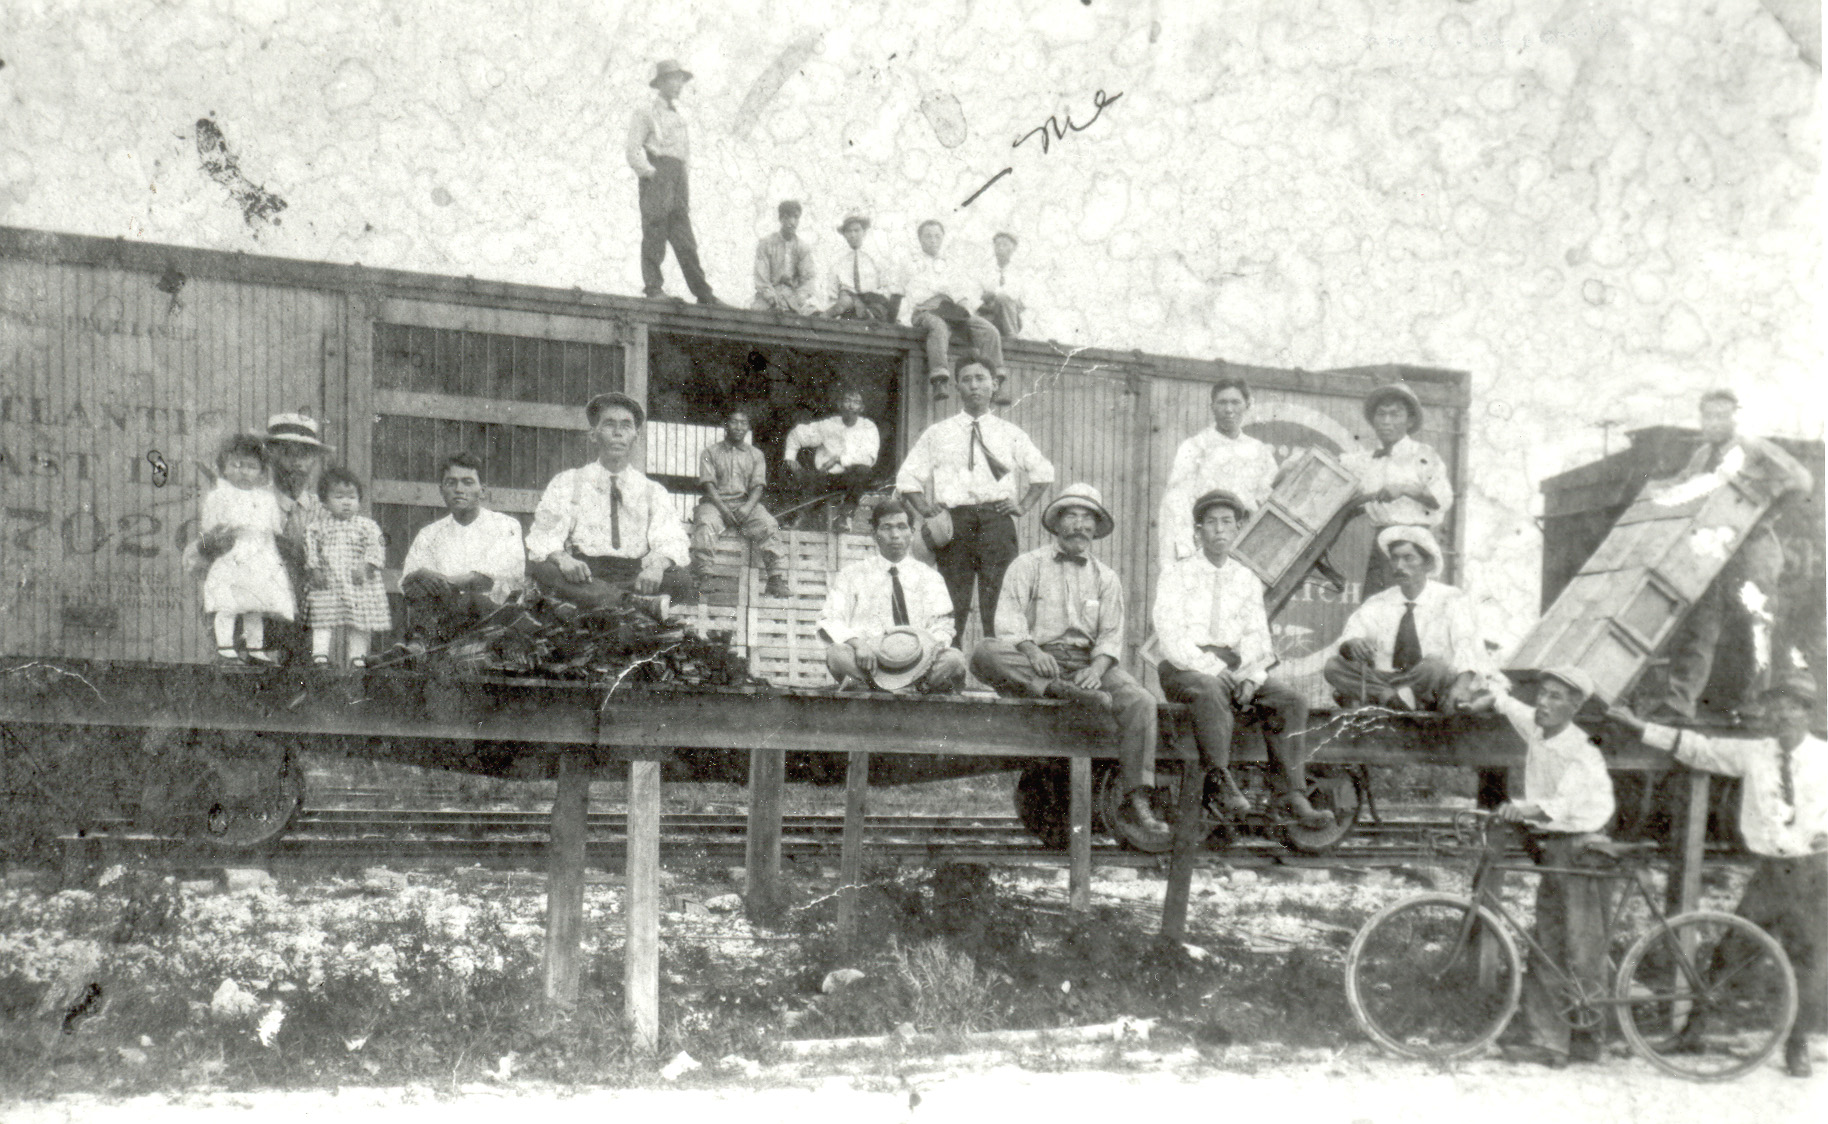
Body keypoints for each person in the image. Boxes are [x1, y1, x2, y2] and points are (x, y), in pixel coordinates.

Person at [1611, 672, 1825, 1078]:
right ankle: (1695, 1031)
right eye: (1776, 706)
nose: (1782, 714)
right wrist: (1639, 727)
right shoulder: (1754, 754)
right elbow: (1697, 748)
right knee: (1730, 951)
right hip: (1769, 874)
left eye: (1792, 706)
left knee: (1809, 961)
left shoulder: (1825, 758)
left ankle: (1797, 1046)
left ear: (1807, 714)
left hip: (1814, 875)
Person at [971, 484, 1167, 835]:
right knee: (984, 652)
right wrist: (1032, 650)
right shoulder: (1026, 565)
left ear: (1097, 527)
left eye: (1088, 518)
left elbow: (1110, 635)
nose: (1080, 525)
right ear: (1057, 523)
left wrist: (1096, 667)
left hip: (1088, 667)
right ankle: (1057, 688)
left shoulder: (1106, 578)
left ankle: (1138, 796)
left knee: (1141, 701)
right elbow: (1008, 621)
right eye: (1072, 516)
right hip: (1036, 661)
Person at [1150, 488, 1332, 830]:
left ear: (1237, 531)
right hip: (1185, 667)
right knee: (1209, 689)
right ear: (1198, 531)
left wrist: (1250, 677)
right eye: (1211, 523)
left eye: (1227, 523)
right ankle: (1219, 779)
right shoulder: (1177, 575)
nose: (1220, 530)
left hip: (1235, 666)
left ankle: (1291, 793)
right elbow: (1171, 636)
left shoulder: (1245, 578)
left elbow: (1256, 636)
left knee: (1290, 701)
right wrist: (1216, 669)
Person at [1653, 389, 1814, 724]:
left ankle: (1754, 706)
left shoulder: (1753, 448)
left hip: (1753, 551)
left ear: (1735, 417)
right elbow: (1682, 485)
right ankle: (1680, 703)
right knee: (1700, 624)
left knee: (1754, 628)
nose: (1713, 423)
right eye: (1707, 416)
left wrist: (1766, 511)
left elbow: (1801, 480)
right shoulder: (1701, 456)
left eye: (1721, 416)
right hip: (1714, 553)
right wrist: (1655, 489)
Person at [1490, 667, 1617, 1068]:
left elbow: (1561, 803)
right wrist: (1489, 686)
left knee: (1582, 946)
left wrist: (1520, 807)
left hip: (1582, 847)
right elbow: (1509, 704)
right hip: (1557, 847)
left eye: (1556, 697)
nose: (1543, 703)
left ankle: (1585, 1037)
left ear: (1575, 706)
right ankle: (1550, 1040)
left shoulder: (1583, 750)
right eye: (1542, 694)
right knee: (1548, 942)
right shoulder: (1538, 726)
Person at [896, 361, 1054, 647]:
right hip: (955, 523)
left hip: (997, 522)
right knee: (952, 601)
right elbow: (907, 477)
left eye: (981, 378)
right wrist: (925, 509)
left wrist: (1023, 505)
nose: (974, 385)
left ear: (994, 384)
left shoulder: (1010, 433)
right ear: (957, 387)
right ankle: (949, 677)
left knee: (1000, 602)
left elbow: (1043, 472)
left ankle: (1002, 678)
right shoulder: (938, 433)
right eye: (966, 379)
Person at [526, 392, 695, 609]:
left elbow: (672, 540)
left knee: (680, 579)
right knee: (544, 570)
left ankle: (611, 601)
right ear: (593, 435)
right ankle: (630, 604)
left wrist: (656, 567)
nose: (617, 433)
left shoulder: (653, 491)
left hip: (635, 576)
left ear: (636, 436)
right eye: (609, 425)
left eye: (626, 426)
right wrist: (564, 559)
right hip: (584, 575)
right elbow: (543, 535)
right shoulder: (569, 482)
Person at [1324, 525, 1494, 712]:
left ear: (1427, 563)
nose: (1399, 566)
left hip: (1430, 682)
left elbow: (1467, 646)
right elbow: (1351, 635)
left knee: (1435, 665)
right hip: (1388, 679)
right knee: (1333, 667)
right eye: (1395, 558)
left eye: (1408, 558)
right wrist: (1352, 643)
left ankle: (1393, 697)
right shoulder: (1379, 602)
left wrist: (1460, 688)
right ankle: (1393, 699)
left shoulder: (1451, 598)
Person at [817, 498, 967, 693]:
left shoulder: (930, 577)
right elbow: (830, 619)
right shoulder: (852, 574)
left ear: (912, 533)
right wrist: (858, 644)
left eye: (901, 527)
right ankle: (883, 688)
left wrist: (924, 652)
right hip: (870, 663)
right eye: (886, 528)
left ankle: (914, 686)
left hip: (920, 663)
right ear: (874, 534)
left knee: (954, 658)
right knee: (837, 654)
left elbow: (944, 627)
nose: (895, 535)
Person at [400, 453, 528, 646]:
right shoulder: (429, 534)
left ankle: (418, 644)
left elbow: (487, 580)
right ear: (441, 490)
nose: (459, 490)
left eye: (467, 482)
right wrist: (422, 574)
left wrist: (442, 581)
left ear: (482, 490)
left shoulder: (505, 526)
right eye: (451, 483)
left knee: (470, 599)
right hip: (443, 618)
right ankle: (417, 646)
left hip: (492, 618)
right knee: (418, 582)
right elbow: (408, 582)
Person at [1339, 382, 1454, 596]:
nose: (1386, 422)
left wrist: (1405, 488)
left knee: (1411, 610)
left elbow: (1442, 498)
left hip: (1414, 548)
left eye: (1395, 414)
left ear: (1410, 420)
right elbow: (1334, 464)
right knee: (1374, 611)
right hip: (1382, 549)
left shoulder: (1424, 454)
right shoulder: (1365, 461)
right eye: (1381, 415)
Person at [626, 59, 725, 306]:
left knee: (685, 239)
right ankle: (653, 288)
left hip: (678, 178)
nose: (678, 84)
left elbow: (683, 155)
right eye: (673, 79)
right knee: (655, 231)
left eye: (681, 79)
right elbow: (632, 149)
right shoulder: (646, 112)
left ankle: (704, 294)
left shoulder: (680, 117)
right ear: (660, 83)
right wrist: (650, 173)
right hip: (658, 174)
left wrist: (682, 182)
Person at [1157, 374, 1280, 574]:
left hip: (1246, 549)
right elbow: (1176, 501)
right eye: (1222, 403)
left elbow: (1268, 499)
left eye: (1235, 402)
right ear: (1212, 406)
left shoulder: (1259, 452)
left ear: (1247, 405)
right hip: (1206, 546)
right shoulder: (1195, 447)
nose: (1229, 409)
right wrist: (1184, 548)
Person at [193, 433, 295, 665]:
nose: (243, 471)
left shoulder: (267, 499)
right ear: (224, 468)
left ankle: (255, 649)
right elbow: (209, 530)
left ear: (261, 472)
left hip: (260, 556)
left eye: (251, 466)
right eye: (236, 465)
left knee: (255, 606)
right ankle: (225, 646)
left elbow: (274, 531)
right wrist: (218, 539)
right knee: (227, 603)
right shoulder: (219, 496)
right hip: (232, 553)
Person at [691, 406, 790, 598]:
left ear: (748, 427)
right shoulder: (710, 452)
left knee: (768, 524)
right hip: (715, 503)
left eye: (743, 423)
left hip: (745, 504)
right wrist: (723, 509)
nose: (738, 427)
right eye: (734, 422)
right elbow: (708, 485)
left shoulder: (756, 455)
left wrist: (746, 508)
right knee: (705, 522)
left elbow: (758, 486)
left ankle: (775, 578)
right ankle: (705, 575)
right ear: (725, 426)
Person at [903, 219, 1004, 399]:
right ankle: (939, 380)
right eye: (928, 236)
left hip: (950, 309)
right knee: (939, 328)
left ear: (942, 238)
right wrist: (940, 296)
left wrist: (964, 307)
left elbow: (959, 290)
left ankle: (995, 383)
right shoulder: (912, 262)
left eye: (937, 236)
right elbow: (913, 293)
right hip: (925, 310)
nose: (933, 240)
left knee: (989, 330)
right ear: (920, 239)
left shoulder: (949, 264)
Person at [303, 466, 391, 668]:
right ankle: (320, 655)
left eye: (351, 497)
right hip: (329, 580)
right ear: (324, 502)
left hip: (357, 580)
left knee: (359, 620)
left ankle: (357, 657)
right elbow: (311, 549)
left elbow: (377, 546)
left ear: (359, 500)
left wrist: (367, 566)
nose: (346, 502)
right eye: (339, 497)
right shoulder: (317, 527)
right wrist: (314, 569)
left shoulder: (367, 526)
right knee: (322, 617)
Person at [782, 387, 879, 519]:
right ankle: (794, 521)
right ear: (840, 405)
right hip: (828, 478)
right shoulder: (828, 425)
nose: (851, 406)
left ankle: (845, 517)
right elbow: (797, 435)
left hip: (853, 480)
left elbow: (868, 459)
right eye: (847, 401)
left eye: (856, 402)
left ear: (861, 408)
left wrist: (838, 459)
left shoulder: (868, 427)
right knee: (804, 496)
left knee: (864, 471)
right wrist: (790, 457)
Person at [824, 213, 897, 321]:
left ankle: (868, 315)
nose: (853, 235)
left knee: (875, 311)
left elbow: (886, 286)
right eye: (849, 231)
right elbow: (832, 291)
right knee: (845, 303)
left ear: (864, 232)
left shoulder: (876, 258)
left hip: (872, 301)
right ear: (844, 234)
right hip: (847, 305)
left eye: (857, 230)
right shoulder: (838, 261)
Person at [752, 200, 818, 314]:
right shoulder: (766, 244)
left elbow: (808, 278)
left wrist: (800, 297)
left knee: (814, 316)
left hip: (793, 297)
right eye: (787, 217)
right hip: (769, 298)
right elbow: (761, 278)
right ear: (781, 219)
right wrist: (772, 299)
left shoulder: (802, 248)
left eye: (796, 217)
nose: (792, 222)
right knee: (757, 316)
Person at [976, 231, 1029, 340]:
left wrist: (994, 294)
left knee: (1003, 298)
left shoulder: (1020, 272)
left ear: (1013, 249)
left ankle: (1012, 337)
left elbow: (1020, 299)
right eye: (997, 244)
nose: (1000, 248)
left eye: (1004, 245)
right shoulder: (985, 270)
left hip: (1011, 318)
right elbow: (978, 295)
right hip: (988, 315)